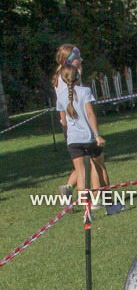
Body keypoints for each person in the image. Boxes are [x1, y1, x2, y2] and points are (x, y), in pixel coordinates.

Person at [55, 64, 124, 216]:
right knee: (100, 168)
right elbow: (90, 114)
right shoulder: (85, 91)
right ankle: (110, 206)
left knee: (81, 174)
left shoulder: (60, 97)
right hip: (89, 138)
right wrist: (97, 134)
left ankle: (87, 212)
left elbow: (63, 122)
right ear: (76, 76)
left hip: (73, 140)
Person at [52, 44, 81, 201]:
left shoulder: (70, 74)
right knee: (84, 164)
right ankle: (89, 199)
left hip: (75, 124)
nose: (80, 60)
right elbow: (66, 105)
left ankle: (68, 189)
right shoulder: (65, 78)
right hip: (73, 125)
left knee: (85, 163)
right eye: (77, 57)